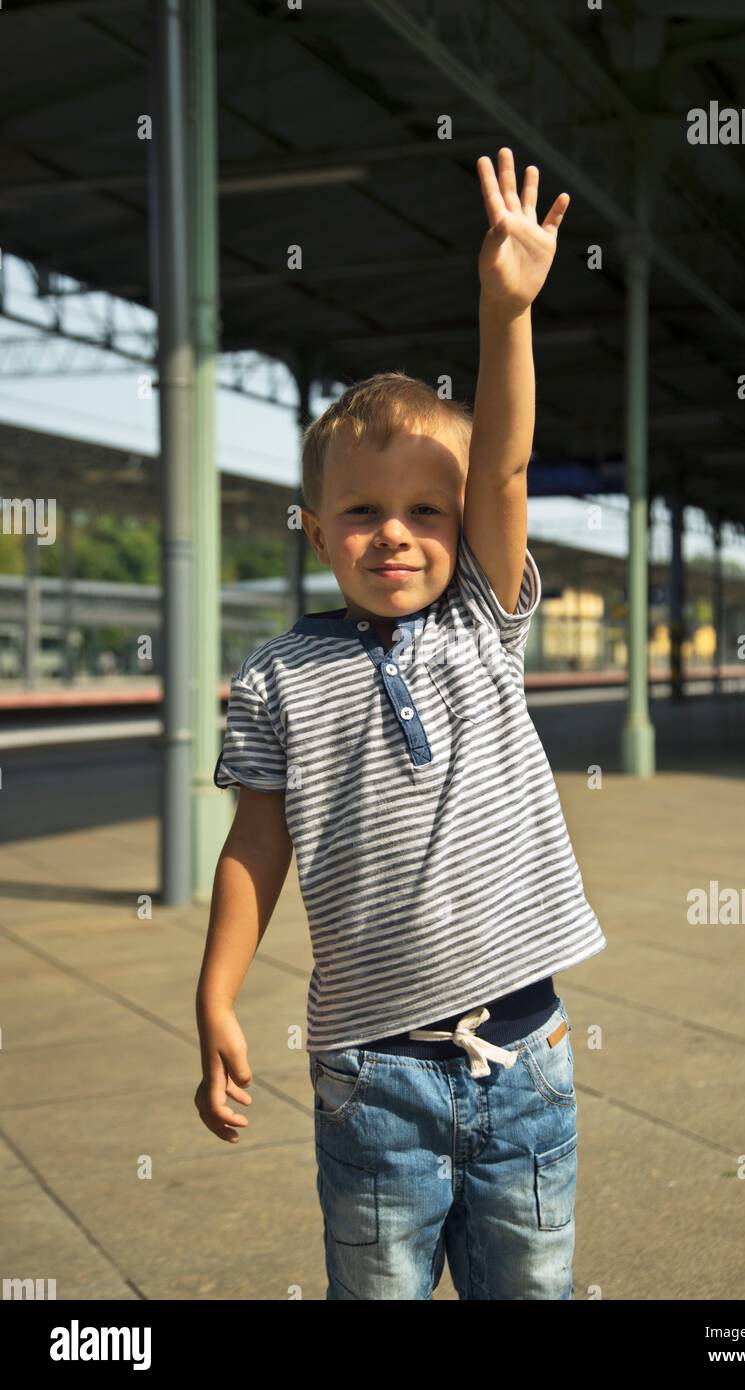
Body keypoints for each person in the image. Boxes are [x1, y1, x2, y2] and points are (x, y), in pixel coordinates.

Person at [195, 148, 607, 1299]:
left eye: (427, 510)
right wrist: (216, 993)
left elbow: (508, 464)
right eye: (361, 512)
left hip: (525, 1055)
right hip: (370, 1077)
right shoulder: (278, 675)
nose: (396, 534)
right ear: (316, 533)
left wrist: (503, 309)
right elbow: (254, 844)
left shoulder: (481, 617)